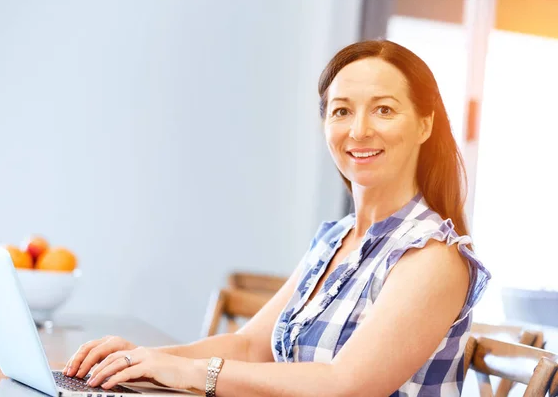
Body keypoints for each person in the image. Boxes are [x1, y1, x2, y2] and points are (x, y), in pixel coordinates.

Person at [62, 40, 491, 397]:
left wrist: (191, 373)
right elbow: (249, 346)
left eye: (383, 109)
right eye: (341, 111)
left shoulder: (432, 256)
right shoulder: (335, 240)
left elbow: (346, 386)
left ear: (424, 124)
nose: (358, 130)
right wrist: (143, 359)